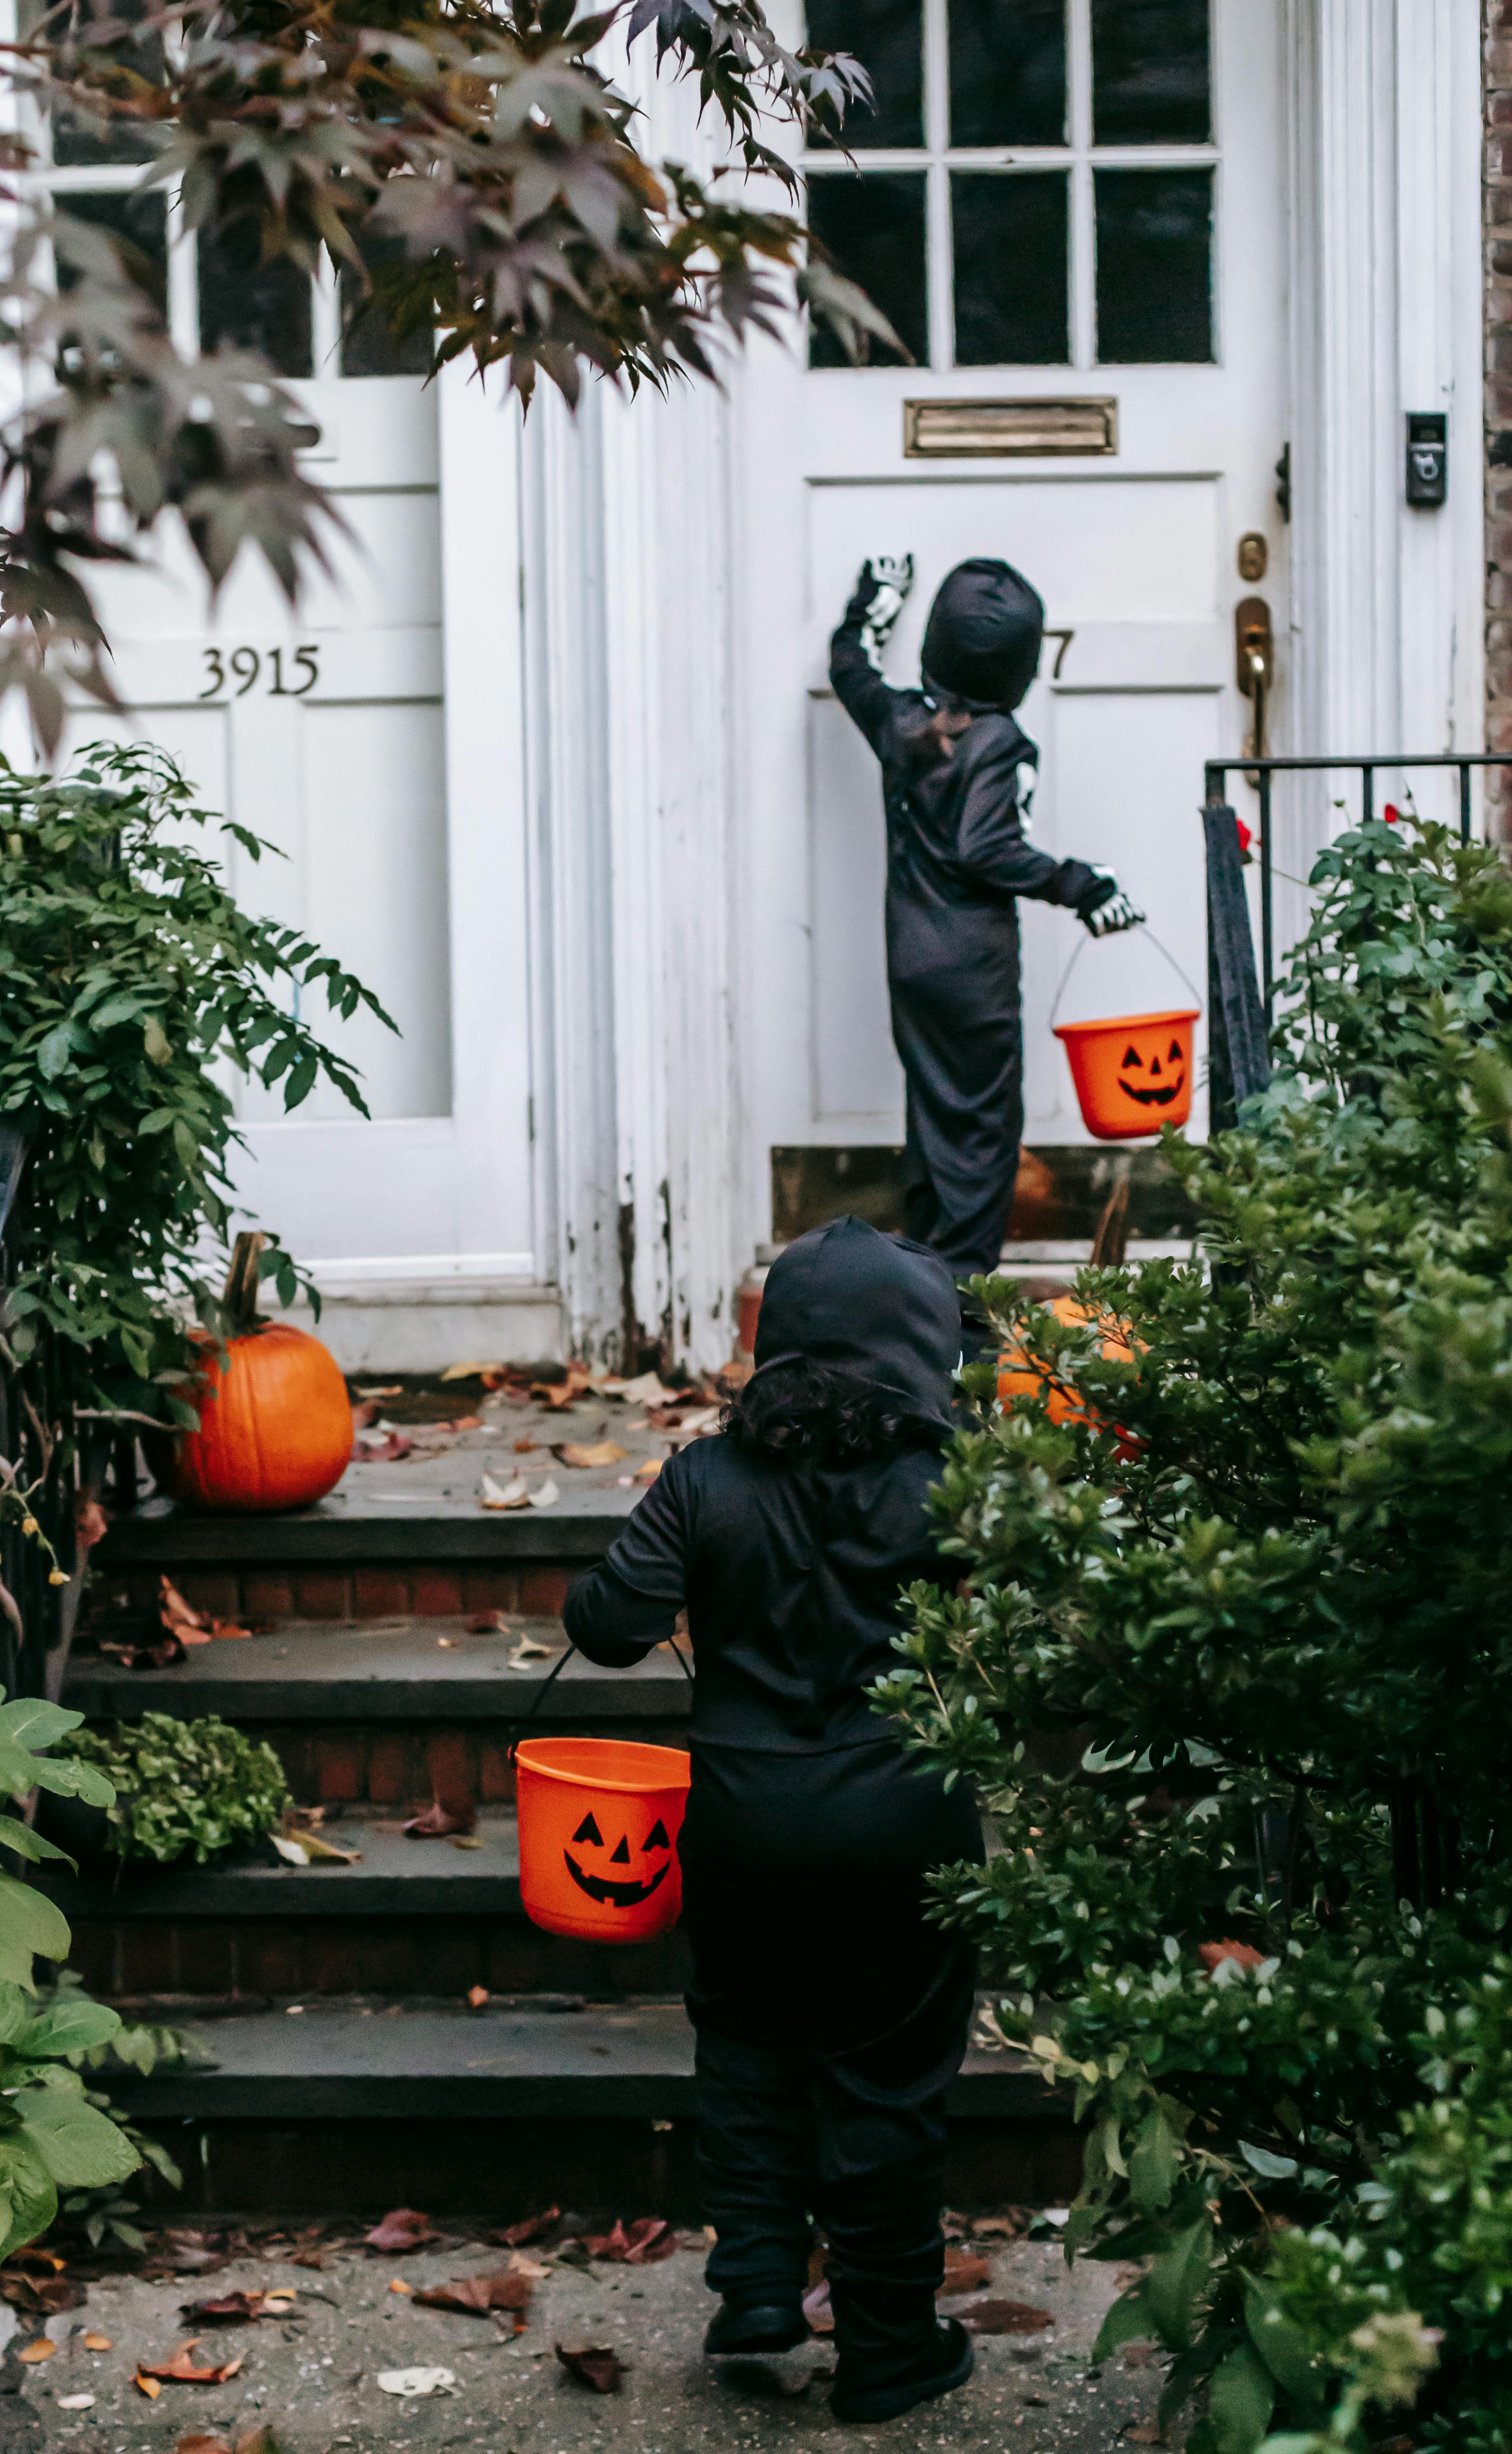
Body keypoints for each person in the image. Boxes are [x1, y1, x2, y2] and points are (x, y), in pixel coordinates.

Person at [563, 1216, 984, 2427]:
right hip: (902, 1816)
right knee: (887, 2074)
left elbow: (607, 1625)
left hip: (743, 1816)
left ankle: (754, 2282)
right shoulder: (951, 1480)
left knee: (746, 2038)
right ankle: (890, 2342)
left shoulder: (707, 1475)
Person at [831, 553, 1144, 1302]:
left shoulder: (899, 719)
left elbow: (850, 667)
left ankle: (920, 1292)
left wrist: (871, 603)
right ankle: (961, 1313)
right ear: (1019, 671)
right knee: (980, 1137)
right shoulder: (1000, 742)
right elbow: (986, 847)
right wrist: (1084, 887)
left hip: (910, 960)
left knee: (935, 1119)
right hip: (971, 972)